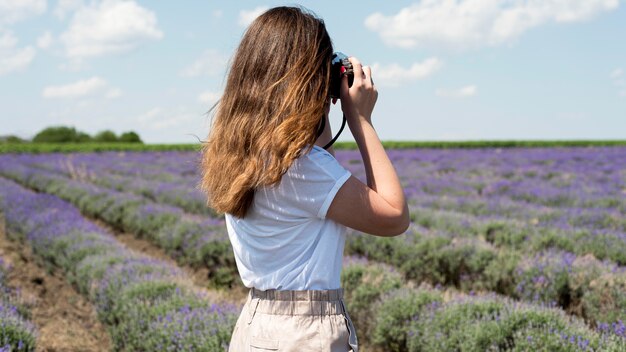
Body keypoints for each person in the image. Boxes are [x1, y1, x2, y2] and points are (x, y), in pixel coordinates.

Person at [199, 6, 409, 352]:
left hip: (256, 323)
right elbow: (394, 216)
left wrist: (319, 106)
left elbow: (318, 156)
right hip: (304, 331)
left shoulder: (241, 157)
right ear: (307, 81)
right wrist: (361, 120)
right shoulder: (301, 169)